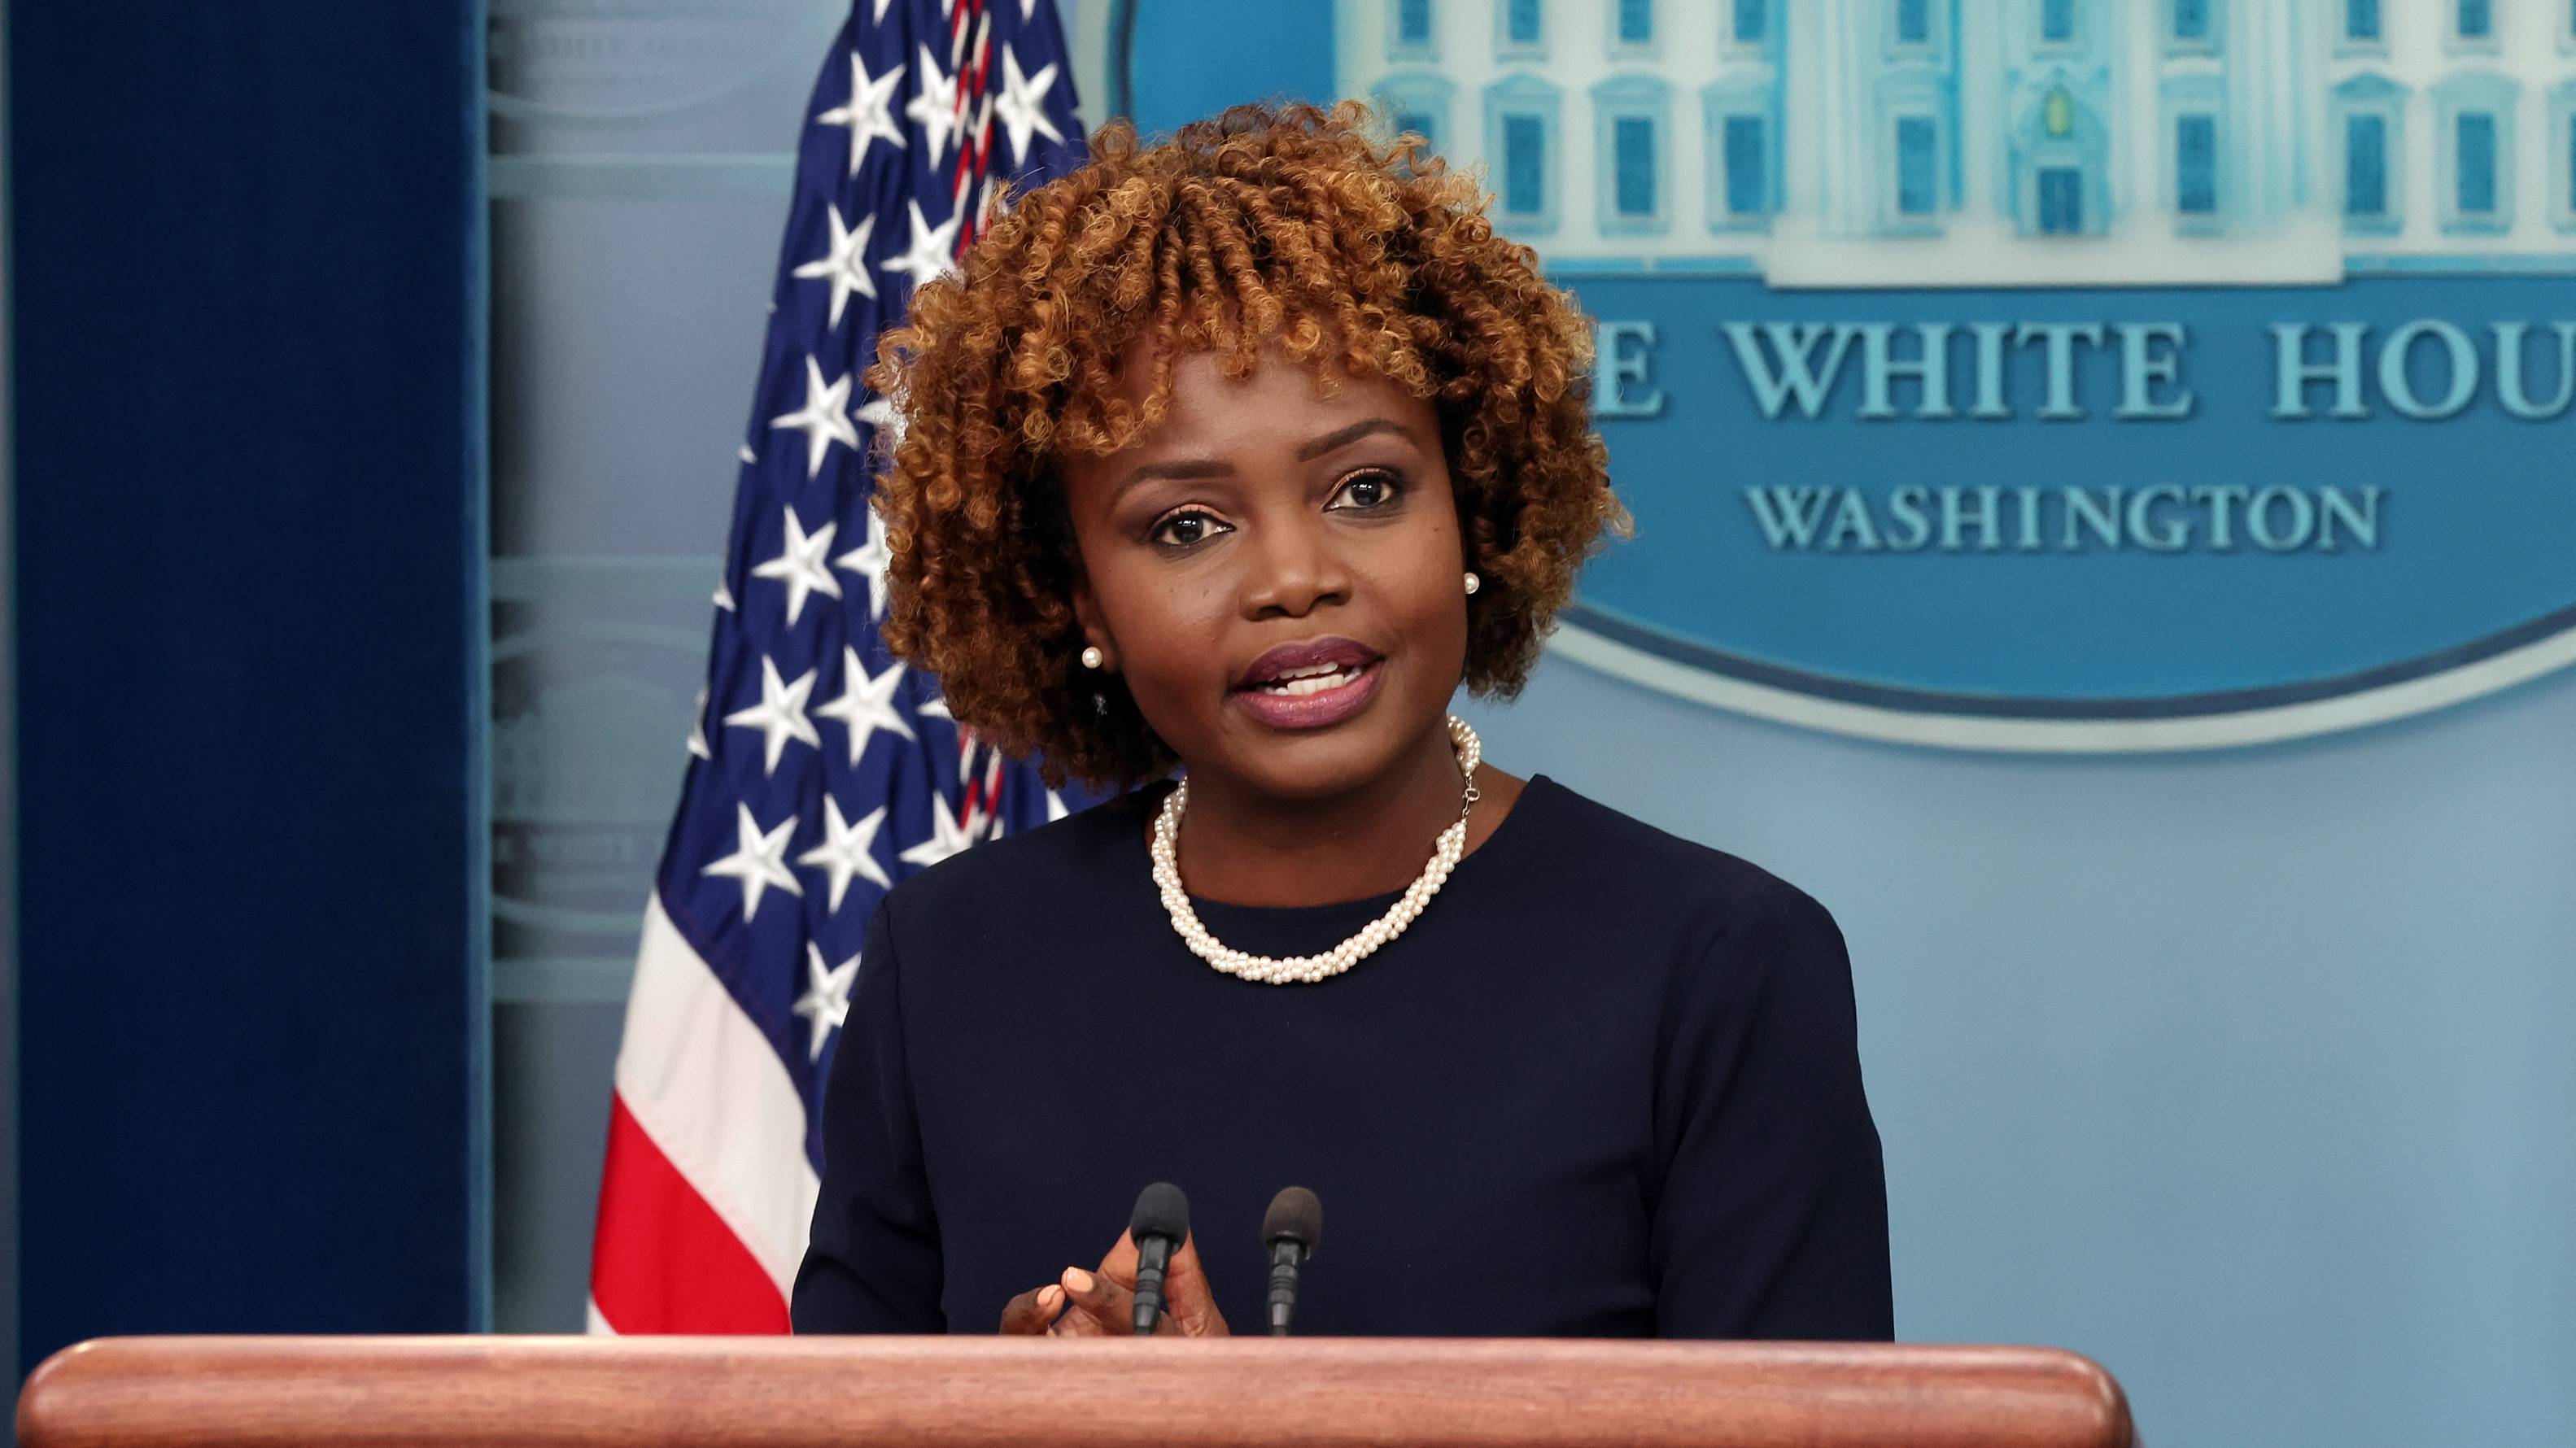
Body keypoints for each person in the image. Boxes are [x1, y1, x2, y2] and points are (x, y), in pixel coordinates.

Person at [789, 101, 1892, 1339]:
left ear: (1471, 508)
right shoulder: (951, 967)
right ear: (1074, 594)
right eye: (1185, 525)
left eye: (1366, 489)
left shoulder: (1717, 968)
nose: (1292, 576)